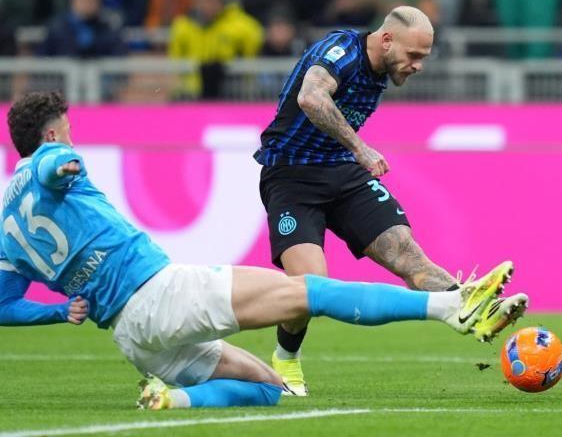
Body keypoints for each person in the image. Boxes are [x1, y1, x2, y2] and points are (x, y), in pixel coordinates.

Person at [0, 91, 526, 410]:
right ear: (53, 134)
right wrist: (62, 164)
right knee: (309, 292)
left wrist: (57, 314)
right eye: (68, 133)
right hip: (160, 293)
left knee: (269, 389)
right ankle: (451, 307)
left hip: (132, 338)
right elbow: (49, 167)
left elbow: (4, 304)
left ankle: (169, 399)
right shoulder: (52, 160)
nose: (72, 141)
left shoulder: (5, 226)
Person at [253, 6, 529, 396]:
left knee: (407, 254)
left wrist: (352, 154)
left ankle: (472, 307)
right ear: (386, 40)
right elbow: (311, 98)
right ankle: (285, 359)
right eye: (413, 55)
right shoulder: (341, 51)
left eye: (424, 57)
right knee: (310, 287)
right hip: (291, 177)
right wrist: (360, 148)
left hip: (342, 173)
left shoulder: (381, 69)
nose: (418, 65)